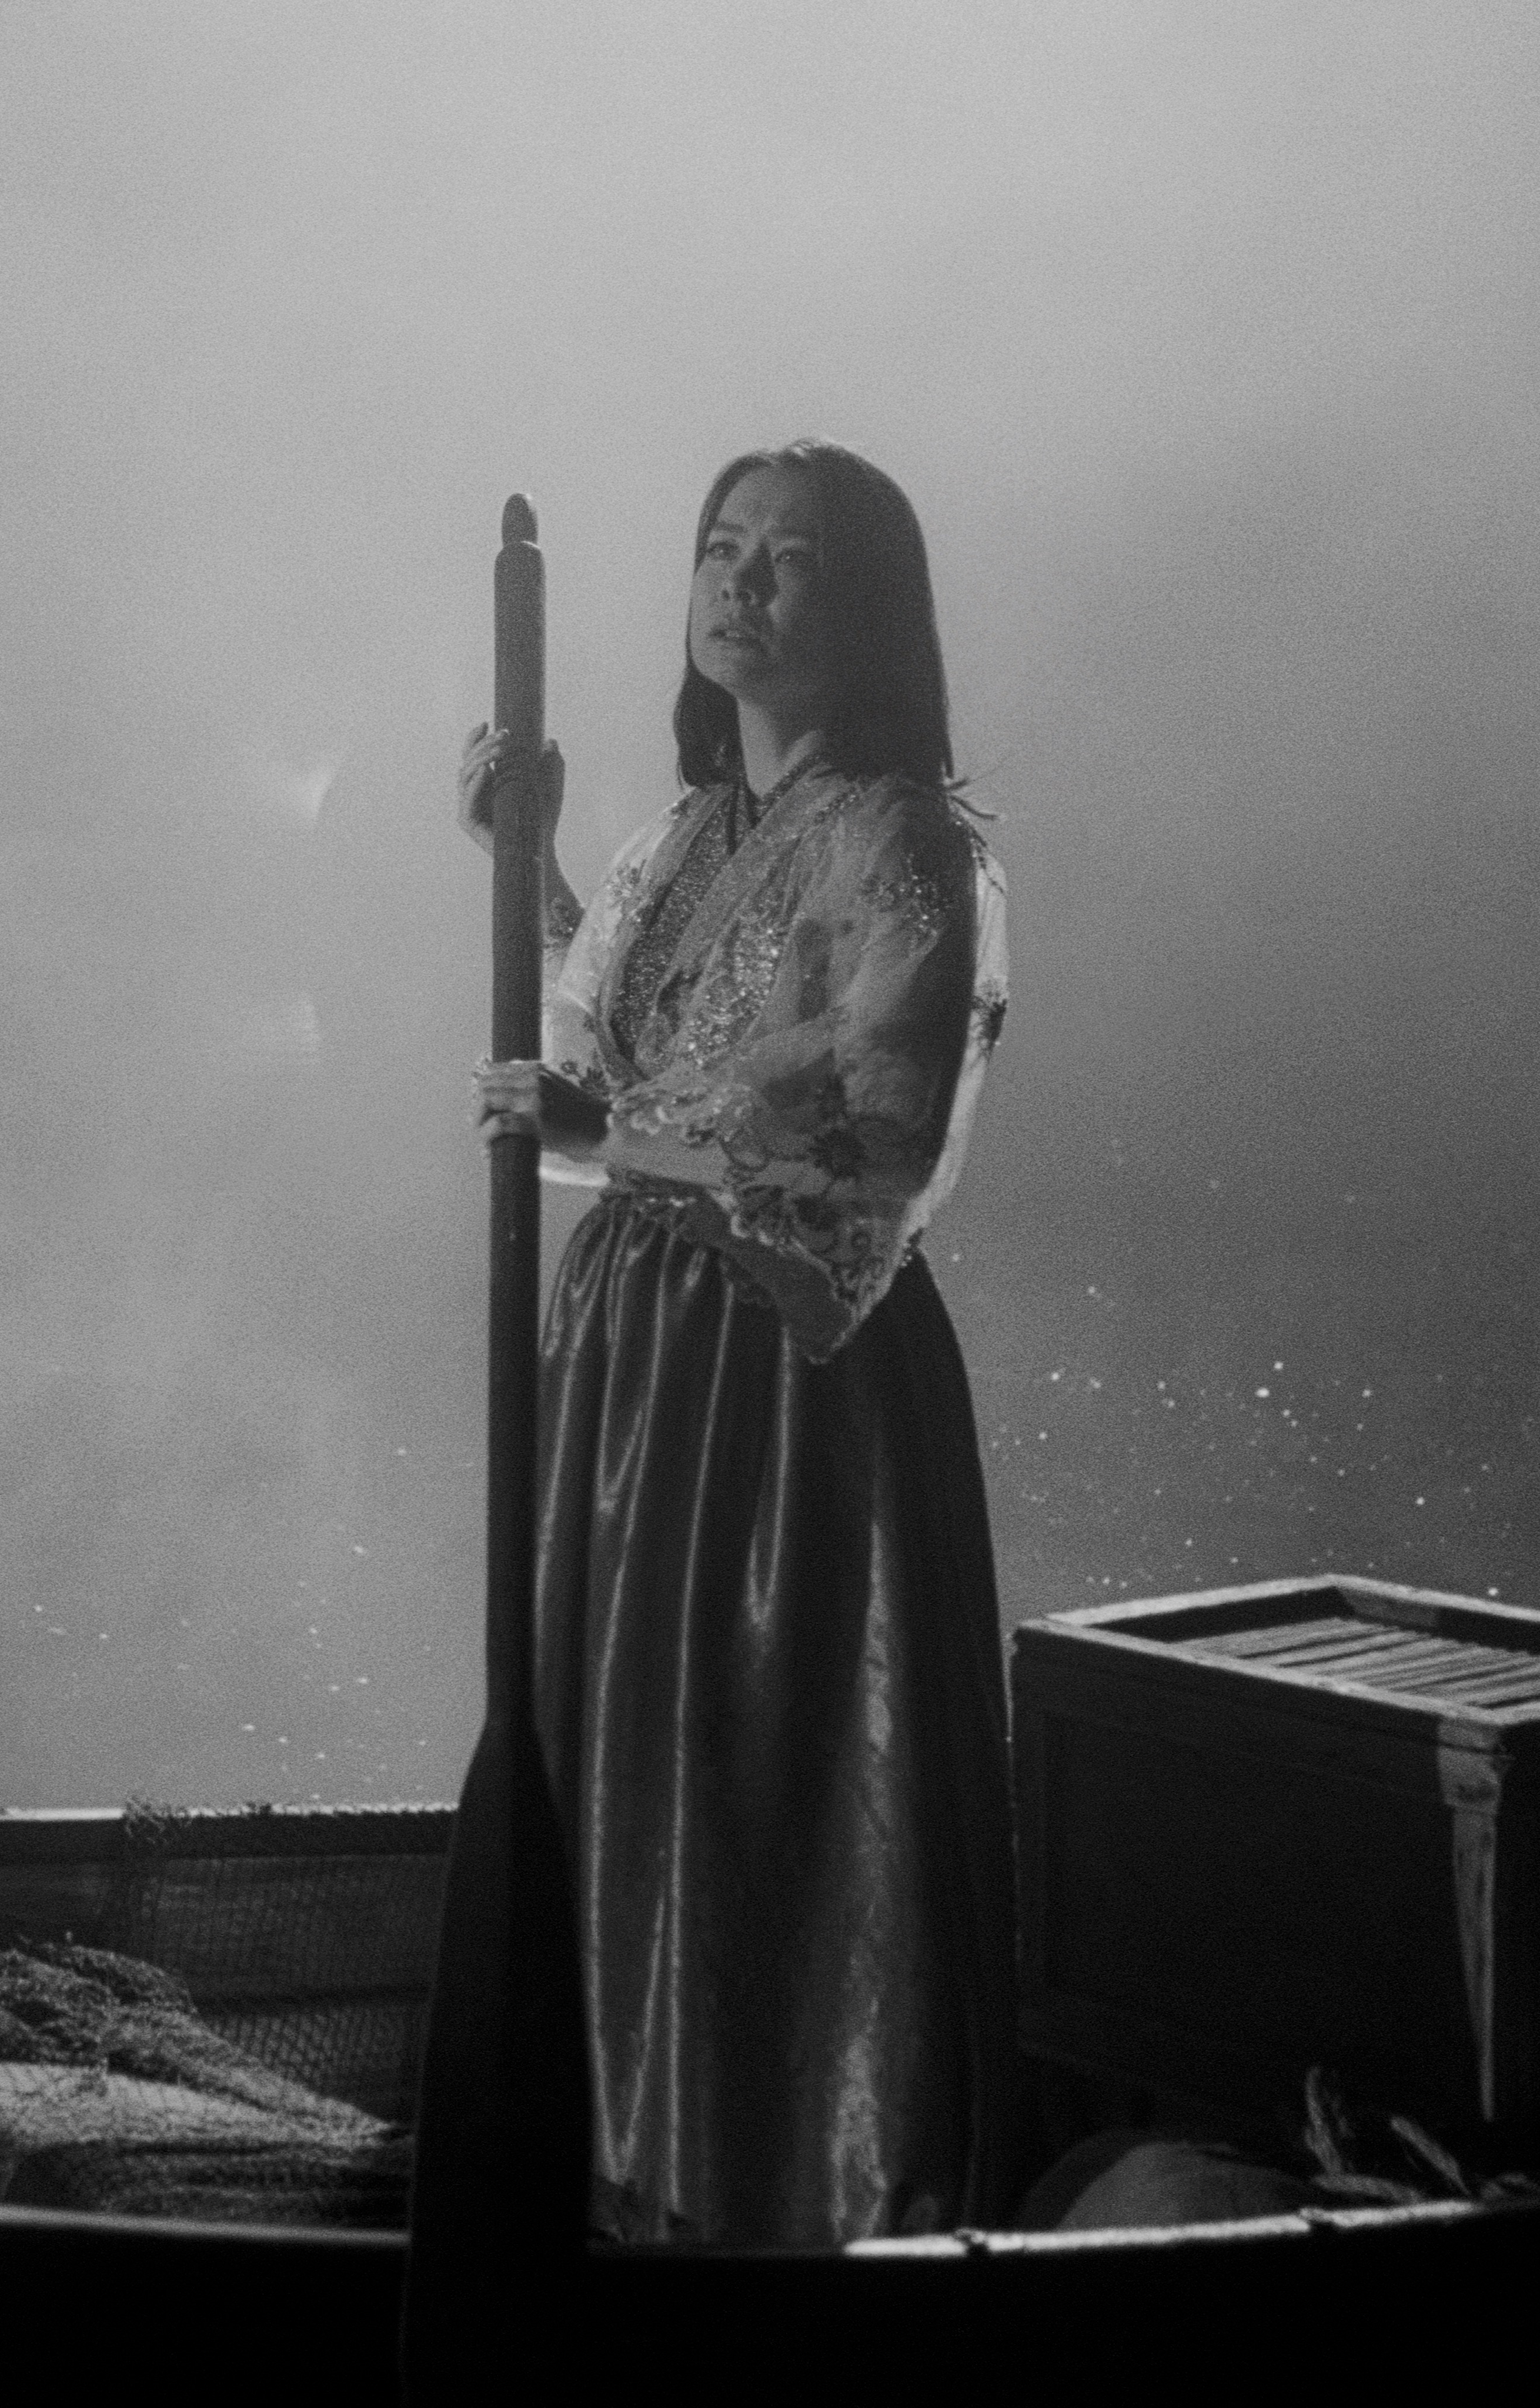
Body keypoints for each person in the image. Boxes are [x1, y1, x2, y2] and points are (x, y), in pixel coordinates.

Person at [457, 439, 1017, 2246]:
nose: (739, 585)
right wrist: (530, 862)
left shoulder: (907, 841)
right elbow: (613, 1063)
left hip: (788, 1382)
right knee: (620, 1761)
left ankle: (784, 2184)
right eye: (718, 548)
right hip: (635, 1357)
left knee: (758, 1768)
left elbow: (873, 1158)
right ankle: (624, 2148)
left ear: (868, 615)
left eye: (788, 561)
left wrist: (596, 1142)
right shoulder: (685, 833)